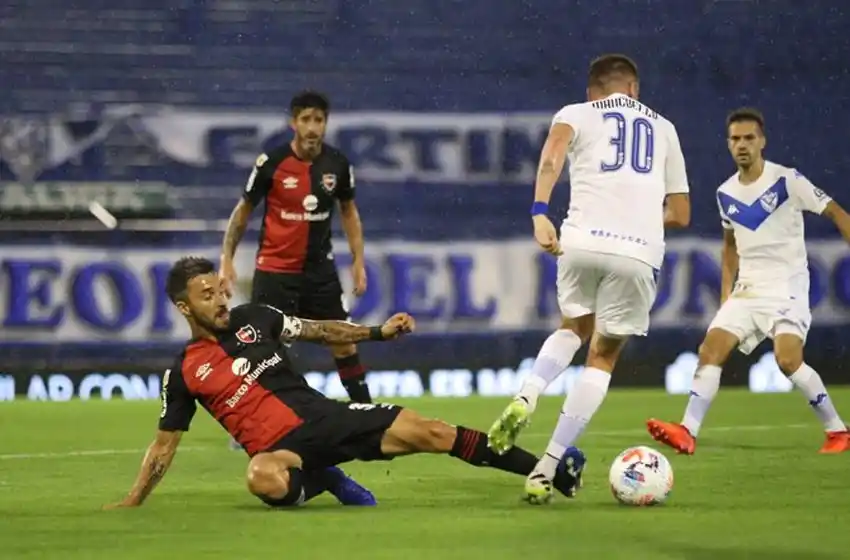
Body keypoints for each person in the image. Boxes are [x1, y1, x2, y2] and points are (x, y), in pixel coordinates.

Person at [103, 257, 586, 510]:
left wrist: (378, 332)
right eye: (207, 296)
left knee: (432, 432)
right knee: (260, 479)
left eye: (220, 289)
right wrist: (133, 499)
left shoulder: (258, 318)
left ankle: (545, 468)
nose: (220, 300)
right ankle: (322, 478)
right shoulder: (184, 371)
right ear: (185, 308)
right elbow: (164, 445)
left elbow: (321, 329)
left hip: (326, 417)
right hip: (279, 452)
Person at [486, 53, 691, 505]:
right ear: (634, 89)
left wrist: (540, 212)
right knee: (603, 356)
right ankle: (547, 466)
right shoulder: (666, 128)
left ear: (592, 90)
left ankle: (528, 393)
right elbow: (680, 213)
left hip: (581, 240)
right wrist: (640, 216)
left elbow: (551, 158)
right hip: (638, 254)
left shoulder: (575, 114)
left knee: (572, 326)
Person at [647, 108, 850, 455]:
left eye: (749, 138)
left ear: (762, 142)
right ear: (728, 144)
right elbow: (730, 246)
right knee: (710, 349)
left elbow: (837, 213)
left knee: (787, 361)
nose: (742, 145)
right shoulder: (725, 193)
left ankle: (838, 432)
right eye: (735, 139)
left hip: (787, 286)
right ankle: (687, 431)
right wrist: (727, 294)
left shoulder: (787, 181)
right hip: (748, 290)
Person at [219, 90, 372, 405]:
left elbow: (349, 212)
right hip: (275, 272)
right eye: (306, 120)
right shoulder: (271, 164)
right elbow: (243, 212)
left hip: (319, 272)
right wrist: (226, 260)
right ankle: (251, 420)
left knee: (343, 339)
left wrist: (358, 261)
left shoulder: (338, 165)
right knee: (261, 349)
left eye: (319, 120)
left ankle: (367, 410)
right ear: (294, 123)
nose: (313, 127)